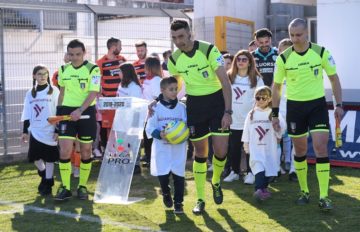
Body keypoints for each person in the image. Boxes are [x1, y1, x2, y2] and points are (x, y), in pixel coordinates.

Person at [272, 18, 343, 210]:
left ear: (307, 34)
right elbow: (276, 86)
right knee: (301, 150)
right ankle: (304, 191)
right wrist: (275, 113)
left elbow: (334, 79)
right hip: (295, 107)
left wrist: (339, 104)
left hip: (317, 106)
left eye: (299, 35)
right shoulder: (284, 58)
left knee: (321, 148)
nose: (295, 39)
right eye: (292, 35)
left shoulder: (320, 52)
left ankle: (324, 196)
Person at [167, 19, 232, 214]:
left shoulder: (209, 50)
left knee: (220, 151)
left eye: (181, 36)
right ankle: (200, 199)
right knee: (201, 153)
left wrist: (228, 112)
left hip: (217, 102)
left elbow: (225, 82)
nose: (178, 41)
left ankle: (216, 181)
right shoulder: (174, 59)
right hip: (194, 105)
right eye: (174, 38)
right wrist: (160, 101)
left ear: (189, 33)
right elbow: (174, 86)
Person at [54, 39, 101, 201]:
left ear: (84, 53)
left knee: (86, 150)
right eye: (71, 54)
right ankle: (66, 187)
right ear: (68, 54)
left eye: (78, 54)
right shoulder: (62, 69)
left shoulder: (93, 69)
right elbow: (61, 93)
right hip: (67, 112)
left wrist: (80, 110)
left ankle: (82, 186)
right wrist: (58, 115)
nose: (74, 58)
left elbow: (94, 92)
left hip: (86, 111)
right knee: (65, 150)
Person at [146, 77, 187, 214]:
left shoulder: (182, 108)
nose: (174, 92)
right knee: (163, 175)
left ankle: (179, 203)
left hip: (178, 148)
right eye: (171, 89)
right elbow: (149, 128)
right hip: (162, 147)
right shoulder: (155, 108)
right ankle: (165, 192)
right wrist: (159, 134)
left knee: (179, 176)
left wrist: (182, 134)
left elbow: (186, 126)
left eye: (176, 89)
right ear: (162, 90)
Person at [223, 50, 264, 183]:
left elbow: (262, 98)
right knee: (234, 147)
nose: (241, 62)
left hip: (250, 120)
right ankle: (234, 172)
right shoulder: (228, 76)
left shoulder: (256, 78)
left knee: (249, 148)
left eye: (244, 59)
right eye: (238, 59)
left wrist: (256, 112)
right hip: (233, 119)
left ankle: (250, 173)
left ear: (250, 62)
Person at [21, 65, 60, 196]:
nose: (42, 76)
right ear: (34, 76)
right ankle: (43, 174)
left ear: (48, 75)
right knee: (35, 157)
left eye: (45, 73)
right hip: (36, 131)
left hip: (50, 130)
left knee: (49, 158)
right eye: (39, 74)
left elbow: (59, 110)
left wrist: (58, 129)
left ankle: (48, 184)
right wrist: (25, 131)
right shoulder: (30, 93)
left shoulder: (54, 90)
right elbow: (27, 113)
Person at [242, 86, 286, 201]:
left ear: (270, 99)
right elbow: (246, 130)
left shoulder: (273, 113)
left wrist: (278, 128)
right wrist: (246, 144)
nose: (260, 100)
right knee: (258, 168)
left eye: (264, 98)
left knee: (268, 170)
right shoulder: (251, 114)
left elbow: (282, 127)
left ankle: (264, 189)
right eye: (258, 98)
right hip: (255, 148)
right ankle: (259, 190)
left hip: (269, 148)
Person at [96, 37, 127, 154]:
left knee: (122, 127)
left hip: (122, 100)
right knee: (110, 128)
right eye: (120, 46)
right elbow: (96, 85)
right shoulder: (100, 62)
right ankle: (112, 152)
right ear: (113, 47)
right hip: (108, 100)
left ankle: (122, 150)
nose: (121, 48)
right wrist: (101, 103)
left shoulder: (123, 60)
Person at [277, 38, 297, 182]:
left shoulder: (299, 65)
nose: (282, 53)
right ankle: (276, 168)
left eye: (286, 51)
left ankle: (294, 170)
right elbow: (275, 90)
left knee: (296, 140)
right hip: (280, 111)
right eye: (280, 50)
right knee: (277, 139)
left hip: (297, 109)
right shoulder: (277, 66)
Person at [141, 56, 163, 165]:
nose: (144, 68)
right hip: (147, 113)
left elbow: (157, 97)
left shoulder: (156, 80)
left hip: (154, 113)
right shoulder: (148, 79)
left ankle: (152, 159)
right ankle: (149, 157)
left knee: (151, 136)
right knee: (147, 136)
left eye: (145, 66)